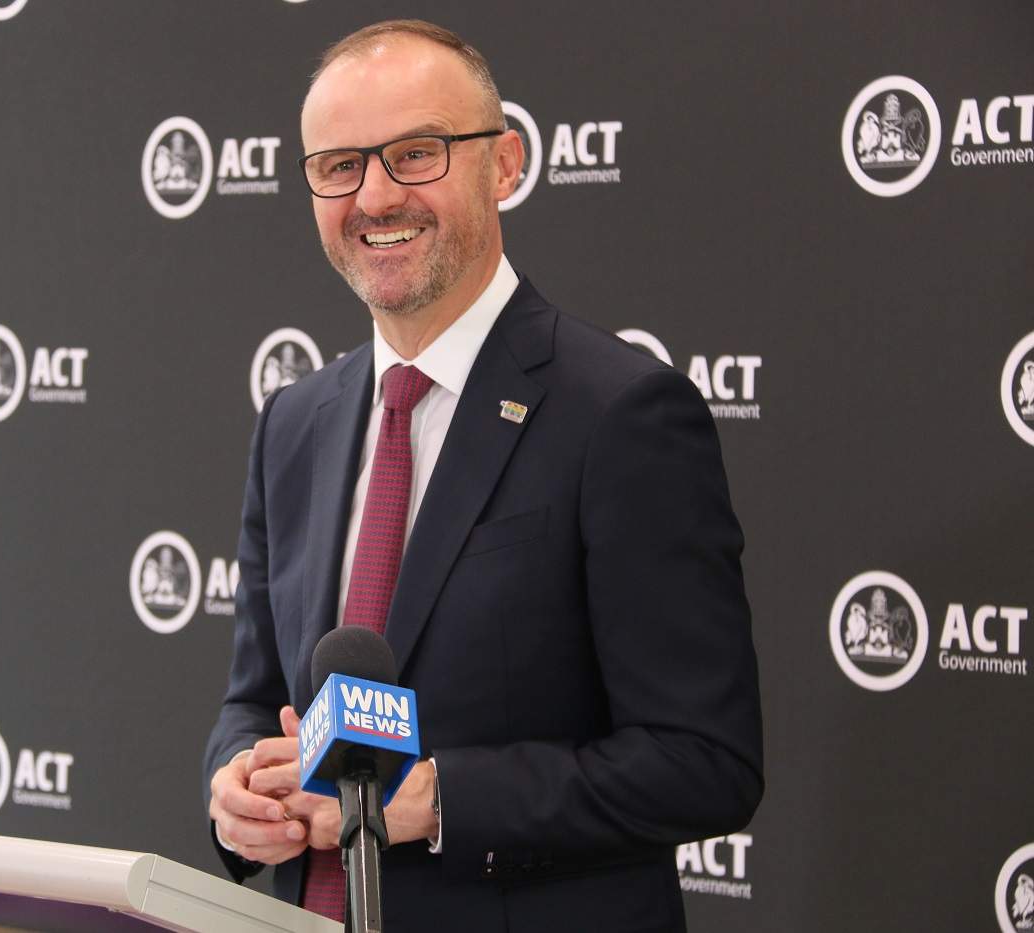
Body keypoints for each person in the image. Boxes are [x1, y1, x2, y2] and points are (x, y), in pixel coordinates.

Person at [204, 19, 763, 932]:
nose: (375, 196)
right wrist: (237, 790)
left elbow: (705, 761)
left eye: (415, 154)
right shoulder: (293, 424)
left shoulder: (620, 413)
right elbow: (252, 696)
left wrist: (436, 800)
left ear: (504, 164)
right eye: (339, 165)